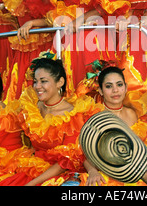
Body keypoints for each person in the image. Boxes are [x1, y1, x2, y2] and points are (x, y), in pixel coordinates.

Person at [17, 55, 103, 186]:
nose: (37, 86)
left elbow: (65, 162)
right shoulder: (31, 108)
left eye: (43, 81)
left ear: (60, 82)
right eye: (35, 81)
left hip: (60, 175)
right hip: (32, 170)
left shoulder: (72, 115)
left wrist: (32, 184)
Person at [78, 66, 147, 186]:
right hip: (103, 175)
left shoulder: (133, 113)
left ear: (126, 88)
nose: (115, 90)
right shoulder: (94, 116)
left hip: (133, 176)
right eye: (109, 86)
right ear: (100, 90)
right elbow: (83, 153)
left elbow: (142, 148)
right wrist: (92, 171)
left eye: (119, 85)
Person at [1, 0, 56, 101]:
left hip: (42, 47)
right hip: (23, 49)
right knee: (17, 89)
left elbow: (53, 18)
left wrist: (32, 23)